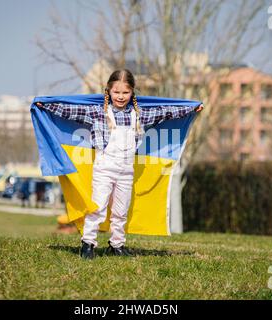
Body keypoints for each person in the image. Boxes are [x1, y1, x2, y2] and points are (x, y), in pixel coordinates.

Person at [35, 69, 203, 259]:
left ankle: (117, 245)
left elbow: (166, 112)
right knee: (97, 207)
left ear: (132, 93)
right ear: (108, 91)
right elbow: (70, 111)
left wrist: (190, 108)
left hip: (126, 172)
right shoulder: (97, 112)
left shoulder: (139, 115)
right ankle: (88, 243)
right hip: (104, 170)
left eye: (125, 92)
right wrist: (47, 106)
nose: (121, 97)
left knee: (121, 211)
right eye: (116, 92)